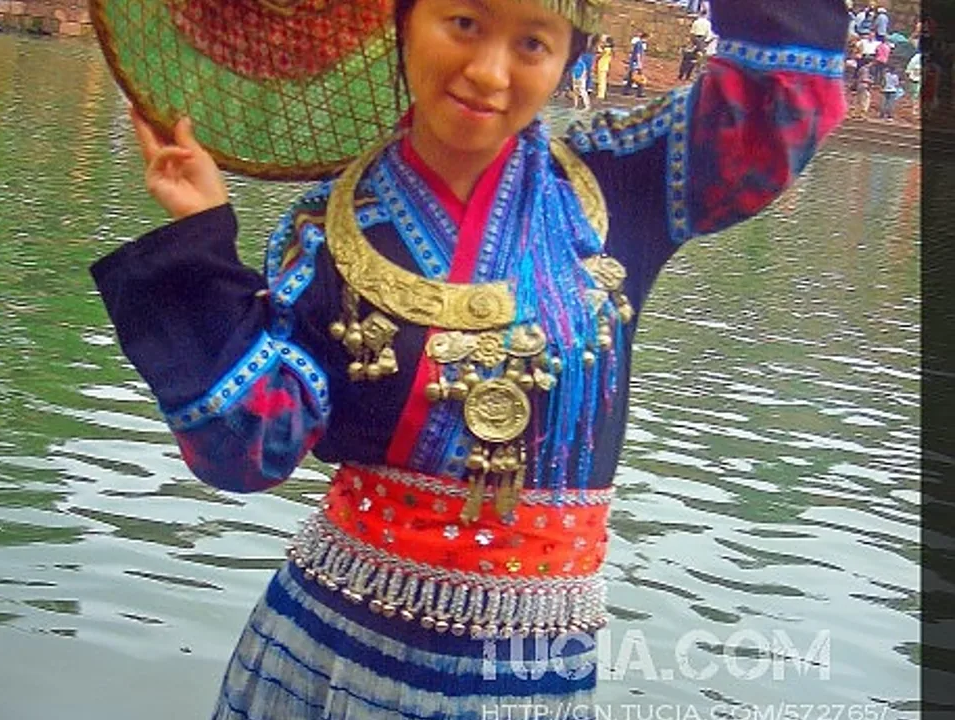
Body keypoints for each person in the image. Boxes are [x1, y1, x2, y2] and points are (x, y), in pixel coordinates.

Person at [89, 0, 849, 717]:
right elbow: (249, 450)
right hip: (327, 650)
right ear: (403, 20)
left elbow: (777, 102)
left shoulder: (622, 181)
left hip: (532, 662)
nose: (489, 72)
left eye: (532, 42)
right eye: (463, 21)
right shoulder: (325, 229)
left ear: (569, 58)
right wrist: (198, 236)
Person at [625, 30, 648, 95]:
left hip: (635, 63)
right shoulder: (639, 44)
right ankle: (640, 92)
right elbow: (638, 54)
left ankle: (627, 90)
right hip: (635, 63)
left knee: (632, 77)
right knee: (639, 78)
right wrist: (639, 63)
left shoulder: (640, 44)